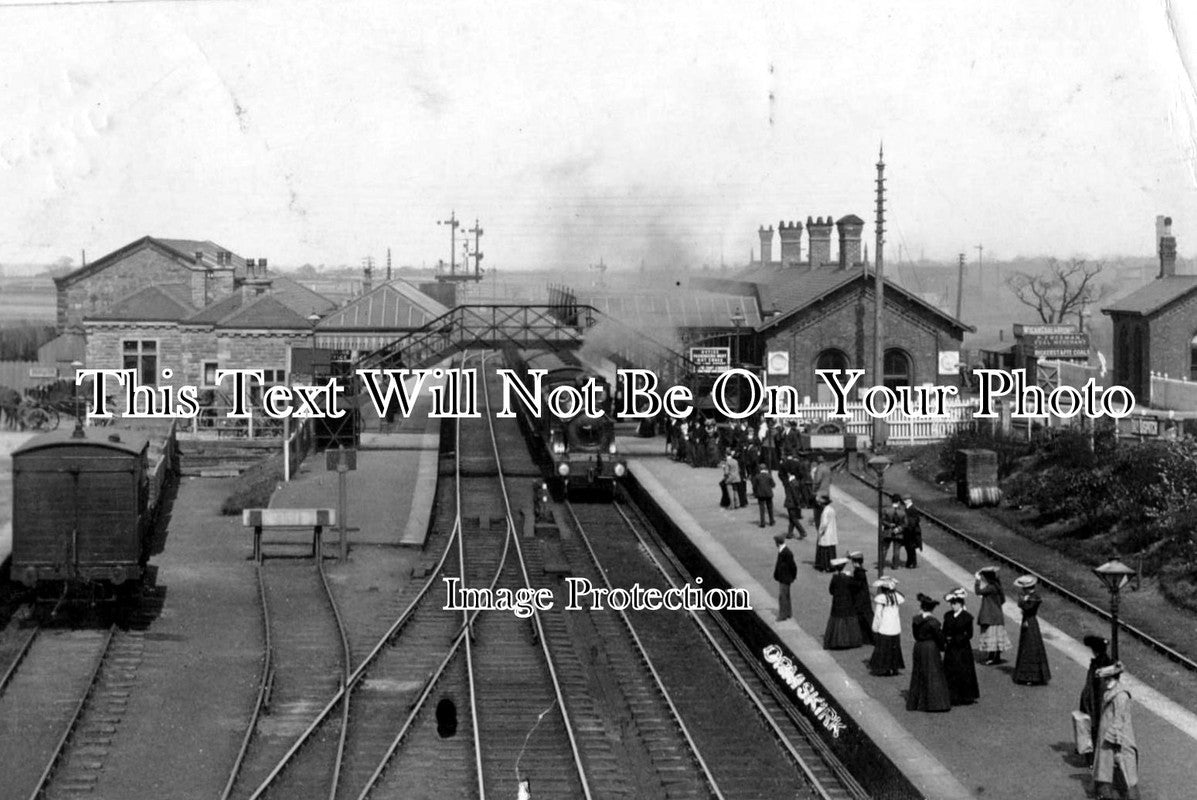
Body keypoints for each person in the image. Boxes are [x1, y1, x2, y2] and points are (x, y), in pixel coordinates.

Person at [1092, 663, 1139, 800]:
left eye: (1109, 680)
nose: (1106, 683)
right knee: (1108, 772)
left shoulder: (1120, 697)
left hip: (1116, 742)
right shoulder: (1111, 693)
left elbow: (1119, 721)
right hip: (1107, 741)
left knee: (1122, 774)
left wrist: (1117, 745)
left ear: (1116, 679)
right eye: (1105, 680)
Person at [906, 594, 951, 712]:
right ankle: (935, 703)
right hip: (930, 648)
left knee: (918, 673)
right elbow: (940, 638)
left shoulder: (916, 620)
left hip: (919, 647)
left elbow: (915, 635)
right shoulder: (934, 622)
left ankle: (917, 702)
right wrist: (943, 646)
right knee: (933, 673)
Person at [941, 588, 980, 705]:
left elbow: (969, 634)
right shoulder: (948, 615)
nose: (953, 606)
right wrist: (946, 638)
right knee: (950, 671)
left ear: (961, 604)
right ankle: (951, 696)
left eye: (956, 604)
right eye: (952, 604)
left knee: (963, 671)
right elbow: (944, 629)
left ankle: (965, 696)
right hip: (951, 648)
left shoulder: (967, 617)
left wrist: (956, 639)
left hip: (962, 649)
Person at [1080, 635, 1115, 761]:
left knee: (1092, 728)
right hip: (1104, 701)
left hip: (1095, 702)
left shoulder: (1096, 665)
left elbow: (1091, 685)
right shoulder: (1109, 662)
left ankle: (1091, 758)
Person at [1012, 575, 1051, 685]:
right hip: (1028, 620)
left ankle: (1031, 676)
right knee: (1027, 646)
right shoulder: (1030, 596)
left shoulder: (1034, 597)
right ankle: (1027, 675)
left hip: (1030, 621)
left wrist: (1023, 602)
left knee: (1030, 647)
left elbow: (1028, 608)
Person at [823, 558, 864, 650]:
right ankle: (849, 641)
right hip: (847, 601)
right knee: (848, 618)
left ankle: (837, 641)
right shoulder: (848, 578)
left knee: (837, 619)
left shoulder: (835, 578)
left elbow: (831, 591)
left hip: (837, 602)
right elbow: (856, 587)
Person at [974, 566, 1011, 665]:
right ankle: (997, 657)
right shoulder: (998, 586)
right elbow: (1003, 600)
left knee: (990, 636)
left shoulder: (990, 587)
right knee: (997, 637)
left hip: (990, 615)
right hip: (997, 614)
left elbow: (978, 592)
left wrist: (977, 581)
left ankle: (991, 658)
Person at [869, 577, 905, 675]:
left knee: (884, 648)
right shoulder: (897, 598)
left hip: (885, 628)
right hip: (895, 627)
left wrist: (875, 627)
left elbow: (878, 615)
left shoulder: (881, 599)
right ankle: (894, 667)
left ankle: (884, 668)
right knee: (894, 648)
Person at [848, 551, 874, 645]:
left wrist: (849, 580)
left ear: (855, 562)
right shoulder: (860, 571)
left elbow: (857, 585)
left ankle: (871, 637)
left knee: (865, 618)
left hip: (861, 599)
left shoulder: (858, 572)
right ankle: (866, 638)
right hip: (863, 598)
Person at [772, 532, 798, 622]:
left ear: (778, 543)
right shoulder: (782, 550)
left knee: (782, 596)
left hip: (785, 578)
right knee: (786, 596)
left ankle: (782, 615)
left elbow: (793, 566)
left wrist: (793, 576)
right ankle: (788, 613)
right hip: (783, 577)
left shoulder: (787, 553)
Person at [881, 493, 906, 570]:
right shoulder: (902, 511)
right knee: (896, 549)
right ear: (898, 502)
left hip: (887, 531)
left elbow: (882, 520)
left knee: (884, 548)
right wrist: (898, 529)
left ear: (892, 501)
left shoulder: (886, 510)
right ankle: (895, 565)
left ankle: (881, 564)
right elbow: (905, 524)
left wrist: (889, 524)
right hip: (898, 533)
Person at [813, 496, 837, 571]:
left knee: (825, 551)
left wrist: (820, 532)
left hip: (826, 533)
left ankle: (825, 566)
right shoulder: (832, 509)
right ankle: (832, 566)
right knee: (831, 550)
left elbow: (824, 524)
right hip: (832, 532)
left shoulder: (825, 512)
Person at [782, 473, 807, 539]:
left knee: (793, 518)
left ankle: (802, 531)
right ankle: (790, 533)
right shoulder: (797, 483)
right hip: (795, 503)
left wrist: (797, 503)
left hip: (791, 503)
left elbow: (794, 495)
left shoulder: (790, 484)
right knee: (792, 518)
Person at [900, 494, 922, 568]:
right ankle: (910, 562)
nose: (904, 501)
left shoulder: (912, 509)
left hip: (912, 532)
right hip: (908, 531)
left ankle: (912, 562)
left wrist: (910, 525)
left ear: (909, 500)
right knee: (908, 547)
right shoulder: (907, 508)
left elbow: (916, 520)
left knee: (911, 547)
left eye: (905, 500)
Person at [811, 454, 832, 527]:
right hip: (826, 492)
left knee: (818, 513)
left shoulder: (819, 469)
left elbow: (817, 480)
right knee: (825, 510)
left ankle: (819, 526)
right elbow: (830, 480)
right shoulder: (827, 468)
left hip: (819, 493)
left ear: (817, 462)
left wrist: (813, 490)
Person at [752, 464, 776, 528]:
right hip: (768, 493)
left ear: (760, 469)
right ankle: (771, 521)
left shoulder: (757, 476)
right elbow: (773, 485)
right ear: (765, 469)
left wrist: (756, 492)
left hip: (760, 494)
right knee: (770, 508)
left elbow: (754, 486)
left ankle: (762, 523)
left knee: (762, 509)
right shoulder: (769, 476)